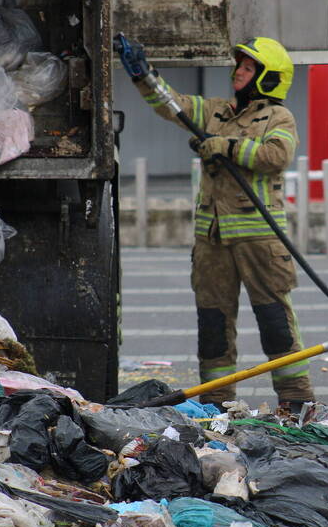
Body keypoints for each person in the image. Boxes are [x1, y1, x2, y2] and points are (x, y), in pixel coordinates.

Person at [128, 36, 315, 410]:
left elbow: (276, 154)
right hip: (211, 242)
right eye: (239, 65)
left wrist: (224, 146)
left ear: (267, 77)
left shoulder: (278, 118)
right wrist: (144, 76)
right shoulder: (216, 113)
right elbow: (174, 106)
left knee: (275, 325)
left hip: (260, 242)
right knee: (213, 327)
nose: (238, 72)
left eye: (248, 68)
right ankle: (217, 405)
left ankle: (296, 402)